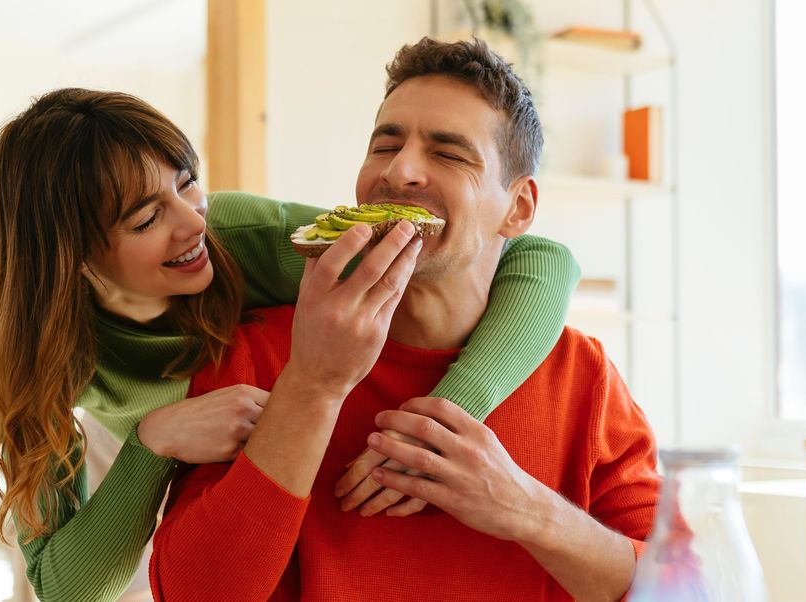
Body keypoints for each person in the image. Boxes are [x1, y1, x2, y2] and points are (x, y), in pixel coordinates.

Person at [0, 88, 581, 601]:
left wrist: (444, 421)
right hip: (139, 466)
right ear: (72, 256)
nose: (192, 224)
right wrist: (153, 441)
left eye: (188, 186)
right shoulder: (40, 352)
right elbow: (63, 587)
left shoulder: (242, 236)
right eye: (145, 219)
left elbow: (539, 257)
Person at [150, 38, 661, 602]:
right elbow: (194, 593)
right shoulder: (257, 351)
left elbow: (677, 587)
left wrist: (525, 508)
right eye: (385, 145)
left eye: (448, 153)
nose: (401, 171)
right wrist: (313, 385)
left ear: (518, 208)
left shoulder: (583, 375)